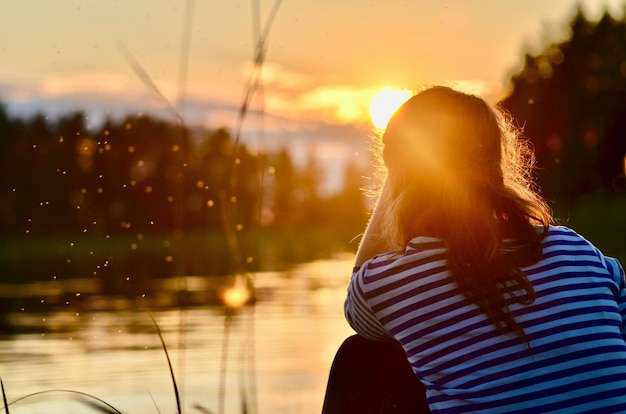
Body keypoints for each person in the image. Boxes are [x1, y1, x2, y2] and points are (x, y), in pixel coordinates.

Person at [324, 85, 626, 413]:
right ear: (494, 162)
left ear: (401, 172)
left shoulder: (394, 281)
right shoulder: (580, 251)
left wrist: (397, 171)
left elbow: (358, 312)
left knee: (359, 357)